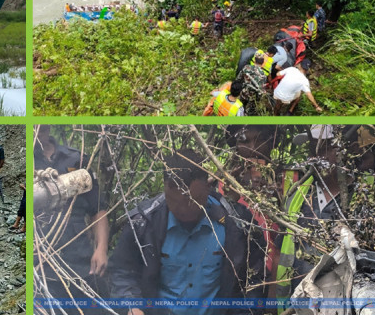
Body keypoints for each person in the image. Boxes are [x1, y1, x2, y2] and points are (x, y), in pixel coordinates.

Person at [110, 150, 263, 315]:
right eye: (174, 202)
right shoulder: (143, 223)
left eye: (192, 202)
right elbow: (122, 271)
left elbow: (253, 282)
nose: (183, 210)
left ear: (207, 188)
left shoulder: (238, 224)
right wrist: (132, 306)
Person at [34, 125, 109, 311]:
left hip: (80, 260)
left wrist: (101, 248)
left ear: (48, 128)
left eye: (41, 129)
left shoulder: (76, 159)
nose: (37, 133)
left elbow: (97, 209)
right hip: (41, 266)